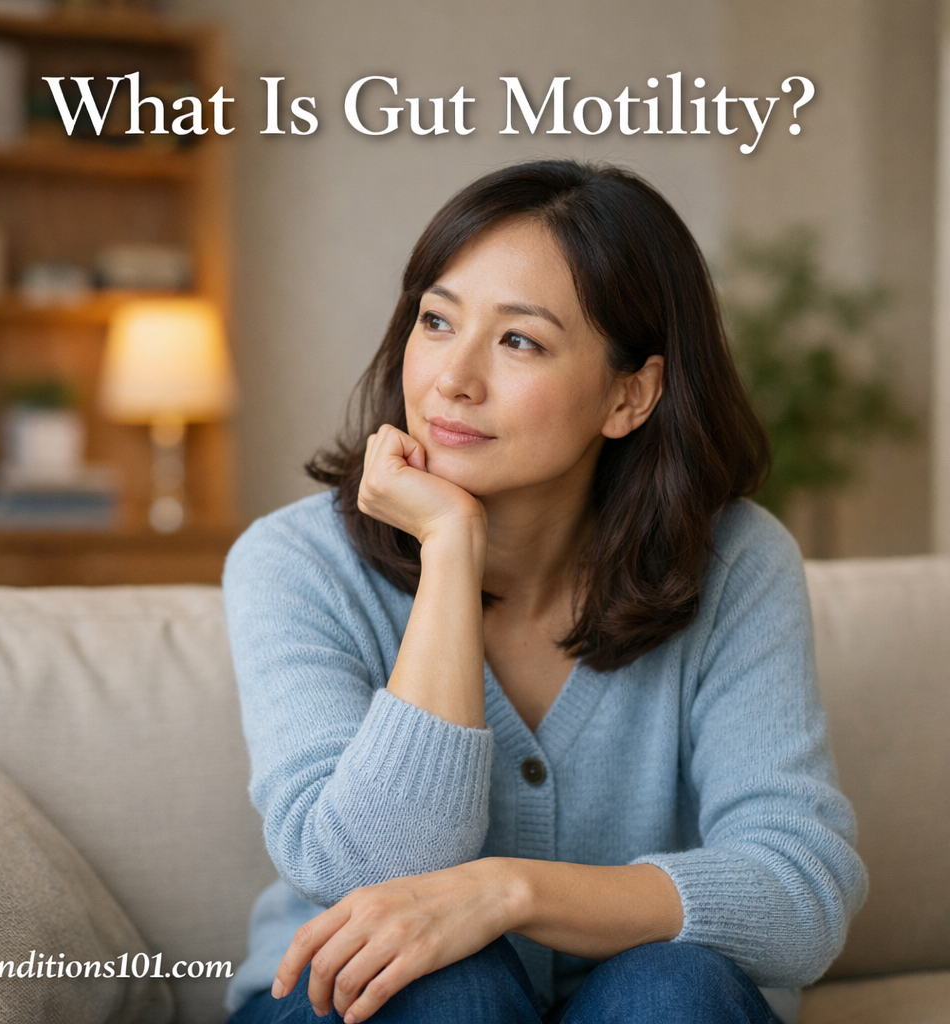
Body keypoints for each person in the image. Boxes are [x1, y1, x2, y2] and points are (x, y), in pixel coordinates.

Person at [221, 160, 867, 1024]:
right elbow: (365, 869)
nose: (453, 378)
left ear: (630, 395)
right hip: (355, 1001)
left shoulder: (738, 563)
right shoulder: (294, 563)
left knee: (672, 988)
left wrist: (509, 892)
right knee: (449, 987)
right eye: (437, 321)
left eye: (519, 340)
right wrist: (449, 552)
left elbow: (802, 894)